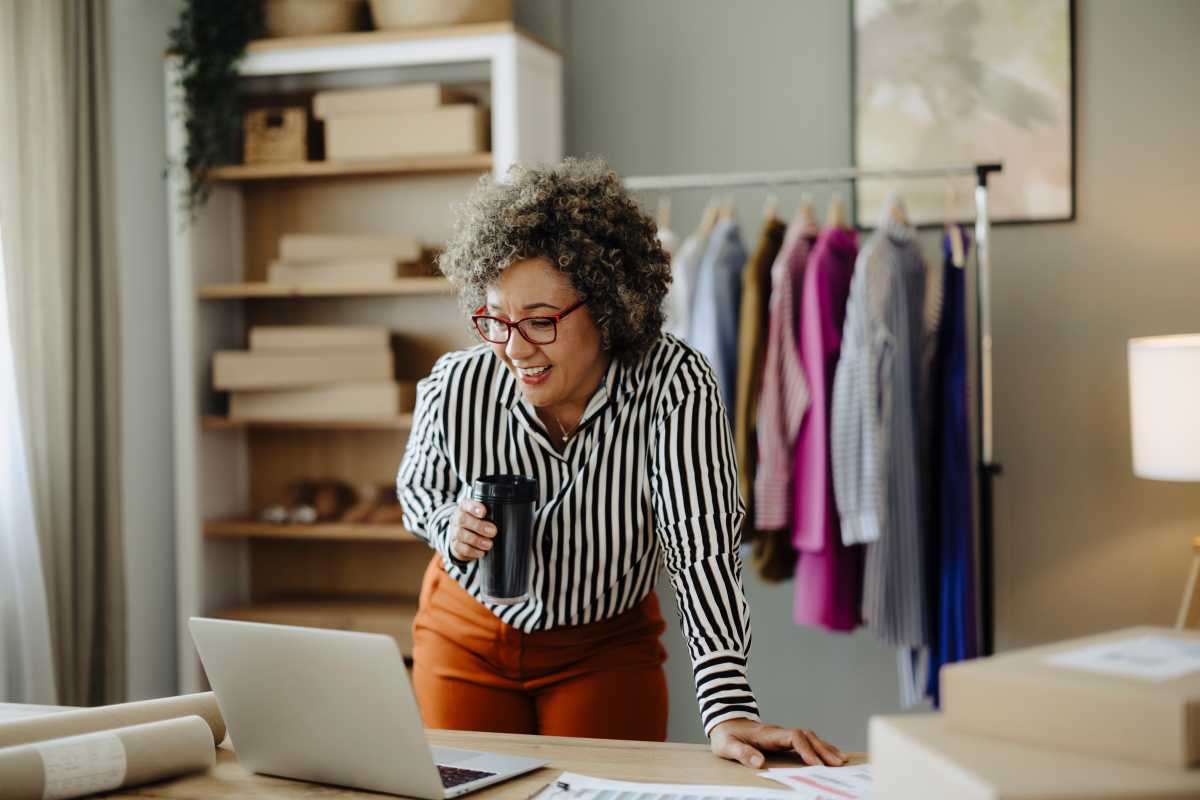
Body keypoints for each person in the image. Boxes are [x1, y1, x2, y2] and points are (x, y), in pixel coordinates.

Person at [397, 157, 845, 769]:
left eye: (540, 321)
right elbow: (418, 489)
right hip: (466, 632)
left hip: (603, 644)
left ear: (608, 308)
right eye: (495, 320)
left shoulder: (673, 385)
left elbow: (700, 549)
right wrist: (448, 522)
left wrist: (727, 707)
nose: (514, 347)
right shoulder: (458, 384)